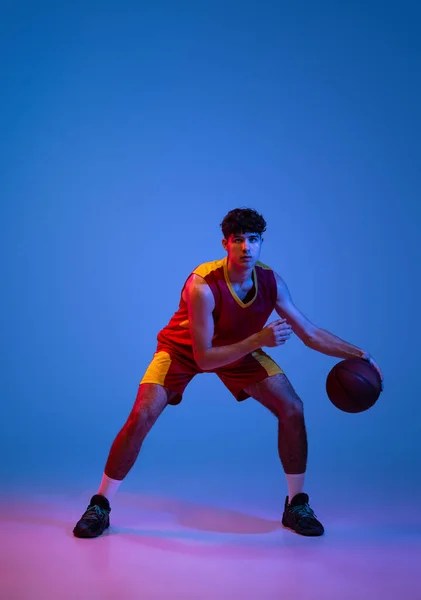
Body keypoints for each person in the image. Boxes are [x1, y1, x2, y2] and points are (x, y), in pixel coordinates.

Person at [73, 208, 383, 538]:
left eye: (254, 240)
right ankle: (100, 505)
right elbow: (204, 358)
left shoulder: (271, 282)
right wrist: (259, 340)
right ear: (225, 244)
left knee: (292, 408)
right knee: (141, 414)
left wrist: (361, 355)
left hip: (239, 349)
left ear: (262, 243)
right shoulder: (202, 285)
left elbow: (309, 332)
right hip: (185, 350)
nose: (247, 248)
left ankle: (296, 504)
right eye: (239, 241)